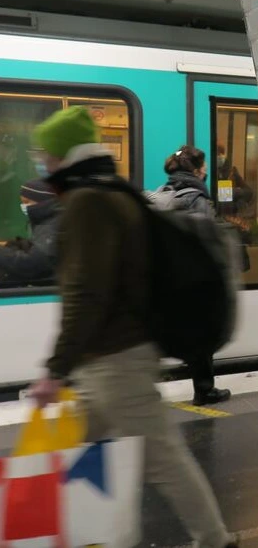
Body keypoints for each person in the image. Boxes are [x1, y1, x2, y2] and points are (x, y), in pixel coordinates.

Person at [26, 107, 237, 548]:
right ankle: (88, 537)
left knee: (162, 458)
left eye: (47, 155)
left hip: (115, 360)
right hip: (106, 360)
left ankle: (215, 540)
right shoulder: (112, 191)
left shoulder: (88, 202)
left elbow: (86, 294)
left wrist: (55, 369)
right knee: (79, 457)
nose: (43, 164)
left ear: (65, 155)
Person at [154, 146, 232, 406]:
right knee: (202, 336)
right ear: (197, 171)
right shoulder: (197, 197)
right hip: (194, 280)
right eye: (205, 167)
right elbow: (207, 241)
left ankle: (149, 385)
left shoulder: (163, 192)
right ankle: (204, 390)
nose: (207, 170)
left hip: (168, 278)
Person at [0, 179, 59, 286]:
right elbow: (38, 247)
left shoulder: (53, 226)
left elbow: (30, 264)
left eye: (27, 202)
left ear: (43, 202)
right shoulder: (47, 220)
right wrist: (9, 244)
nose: (24, 206)